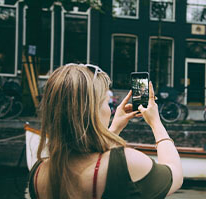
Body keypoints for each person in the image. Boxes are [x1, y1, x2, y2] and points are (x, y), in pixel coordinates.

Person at [28, 63, 183, 199]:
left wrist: (114, 128)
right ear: (92, 111)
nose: (110, 110)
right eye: (107, 103)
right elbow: (174, 174)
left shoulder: (38, 173)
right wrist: (156, 123)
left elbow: (87, 151)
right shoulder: (126, 163)